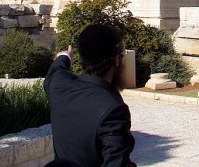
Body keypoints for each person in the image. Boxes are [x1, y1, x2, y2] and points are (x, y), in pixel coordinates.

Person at [44, 24, 136, 167]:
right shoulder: (113, 109)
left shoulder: (60, 87)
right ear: (117, 61)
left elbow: (56, 70)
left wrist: (65, 56)